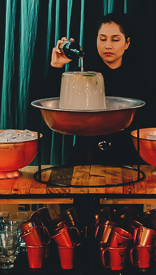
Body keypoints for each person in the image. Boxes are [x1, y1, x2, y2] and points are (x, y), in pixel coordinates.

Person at [49, 12, 148, 163]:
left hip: (127, 159)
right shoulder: (83, 73)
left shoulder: (138, 78)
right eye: (102, 39)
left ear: (127, 43)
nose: (108, 45)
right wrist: (56, 66)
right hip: (85, 157)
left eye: (115, 39)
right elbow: (48, 101)